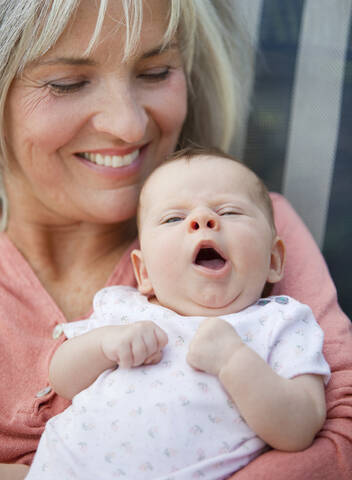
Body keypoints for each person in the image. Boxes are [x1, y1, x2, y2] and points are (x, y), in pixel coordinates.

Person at [0, 1, 351, 479]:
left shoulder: (255, 227)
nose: (127, 126)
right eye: (68, 82)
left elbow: (338, 441)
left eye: (157, 71)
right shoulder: (121, 311)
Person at [26, 149, 331, 479]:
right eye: (173, 218)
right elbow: (62, 379)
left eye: (229, 211)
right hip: (61, 467)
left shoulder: (281, 323)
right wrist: (104, 345)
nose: (202, 220)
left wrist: (234, 361)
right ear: (144, 274)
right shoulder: (125, 309)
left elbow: (301, 426)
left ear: (274, 260)